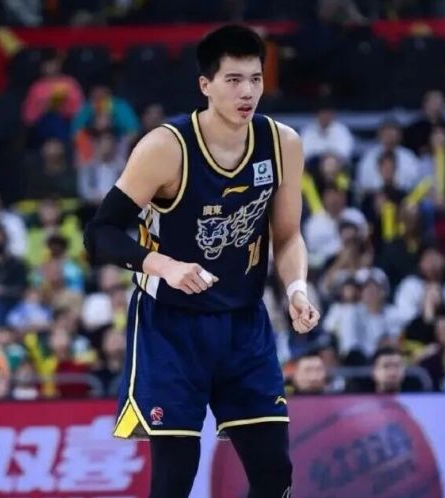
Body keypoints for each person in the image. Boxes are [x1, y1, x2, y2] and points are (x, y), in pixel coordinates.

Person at [84, 24, 319, 498]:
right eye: (234, 80)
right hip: (170, 325)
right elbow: (100, 234)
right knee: (175, 479)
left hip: (244, 321)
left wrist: (296, 288)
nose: (248, 91)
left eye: (255, 78)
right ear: (205, 85)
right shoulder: (166, 147)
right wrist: (163, 265)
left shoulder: (282, 143)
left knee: (275, 473)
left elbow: (288, 235)